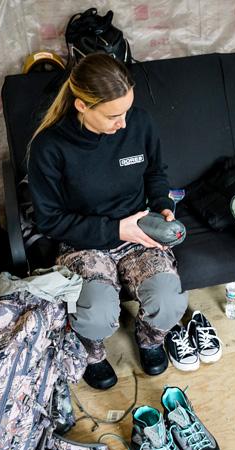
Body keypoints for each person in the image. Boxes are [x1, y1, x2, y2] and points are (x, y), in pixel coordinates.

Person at [26, 53, 188, 390]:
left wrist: (162, 206)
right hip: (84, 241)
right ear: (82, 106)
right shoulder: (49, 146)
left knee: (169, 301)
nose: (123, 123)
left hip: (139, 233)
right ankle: (92, 354)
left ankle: (149, 340)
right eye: (113, 115)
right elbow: (49, 220)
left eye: (126, 111)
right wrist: (114, 229)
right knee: (96, 313)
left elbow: (155, 173)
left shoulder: (139, 124)